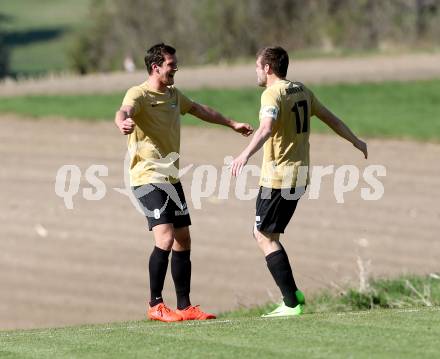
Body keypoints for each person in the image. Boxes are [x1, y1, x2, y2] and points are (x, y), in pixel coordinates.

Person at [115, 43, 253, 322]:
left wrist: (231, 123)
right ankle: (155, 304)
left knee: (183, 239)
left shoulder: (175, 95)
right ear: (156, 67)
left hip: (170, 178)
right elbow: (124, 111)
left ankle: (185, 306)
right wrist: (122, 123)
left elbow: (201, 109)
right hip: (147, 177)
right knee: (164, 237)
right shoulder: (138, 93)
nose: (175, 68)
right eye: (171, 64)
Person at [231, 46, 368, 317]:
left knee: (263, 235)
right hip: (301, 176)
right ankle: (292, 295)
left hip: (279, 178)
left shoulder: (271, 94)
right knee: (271, 234)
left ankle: (292, 302)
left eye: (258, 67)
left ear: (268, 68)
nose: (256, 72)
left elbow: (267, 127)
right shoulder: (302, 90)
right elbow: (330, 118)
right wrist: (355, 140)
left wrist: (244, 155)